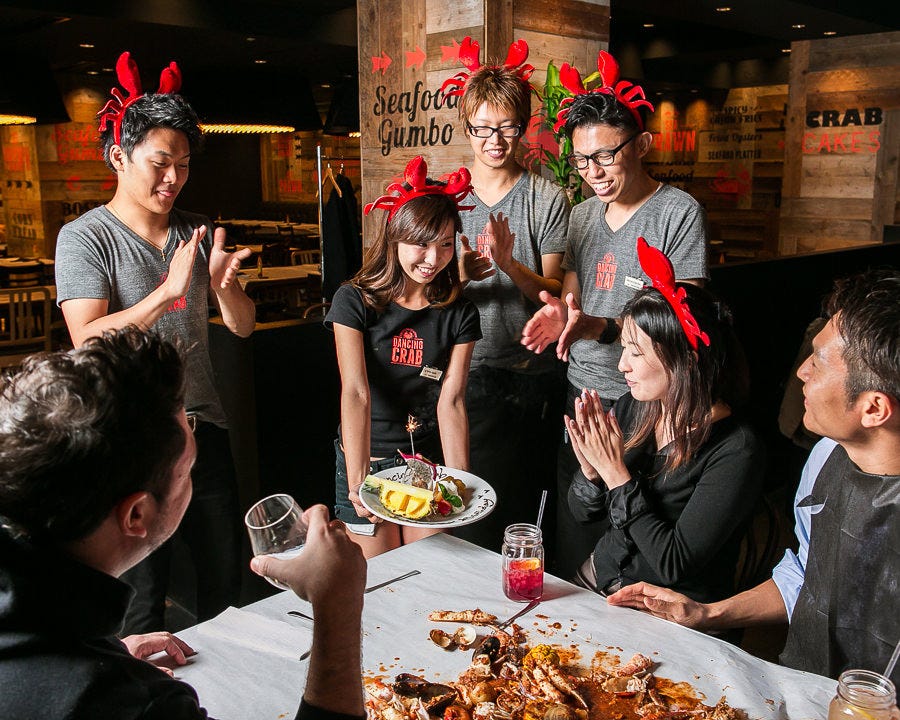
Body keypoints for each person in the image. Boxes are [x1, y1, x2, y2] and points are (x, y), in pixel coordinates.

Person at [0, 327, 367, 720]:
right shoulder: (134, 703)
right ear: (136, 514)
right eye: (188, 466)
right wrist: (337, 608)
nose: (193, 435)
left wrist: (107, 650)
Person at [606, 268, 900, 684]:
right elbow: (802, 577)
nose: (801, 373)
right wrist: (707, 614)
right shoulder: (824, 459)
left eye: (817, 362)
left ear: (873, 408)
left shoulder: (737, 447)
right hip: (809, 681)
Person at [54, 52, 256, 633]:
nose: (173, 178)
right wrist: (167, 293)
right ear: (119, 155)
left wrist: (222, 287)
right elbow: (85, 339)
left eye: (184, 165)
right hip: (128, 437)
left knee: (226, 583)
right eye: (160, 162)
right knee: (141, 597)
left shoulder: (197, 228)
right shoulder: (85, 237)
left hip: (202, 428)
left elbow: (241, 326)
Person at [519, 50, 708, 577]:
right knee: (573, 539)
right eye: (581, 161)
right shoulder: (581, 215)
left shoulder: (678, 212)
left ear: (642, 144)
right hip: (581, 398)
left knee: (628, 555)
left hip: (647, 409)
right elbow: (576, 297)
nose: (592, 172)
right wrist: (563, 315)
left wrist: (596, 325)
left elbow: (681, 320)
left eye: (605, 155)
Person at [565, 238, 763, 603]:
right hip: (600, 578)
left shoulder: (735, 450)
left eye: (636, 352)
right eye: (624, 347)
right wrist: (591, 473)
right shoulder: (635, 406)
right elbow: (582, 515)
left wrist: (616, 475)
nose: (622, 364)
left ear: (686, 361)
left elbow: (674, 563)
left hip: (665, 612)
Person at [441, 38, 570, 549]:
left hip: (531, 378)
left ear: (523, 125)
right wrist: (463, 275)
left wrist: (510, 265)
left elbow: (556, 290)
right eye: (483, 128)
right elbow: (421, 287)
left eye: (508, 127)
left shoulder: (546, 197)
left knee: (525, 515)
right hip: (462, 373)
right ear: (467, 127)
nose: (496, 140)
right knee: (466, 513)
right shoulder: (446, 197)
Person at [324, 156, 482, 558]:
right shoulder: (353, 301)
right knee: (378, 579)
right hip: (367, 458)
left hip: (422, 463)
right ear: (395, 238)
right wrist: (359, 478)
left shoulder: (460, 312)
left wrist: (459, 483)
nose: (433, 258)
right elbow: (356, 393)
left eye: (446, 244)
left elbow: (453, 400)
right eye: (421, 244)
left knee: (430, 569)